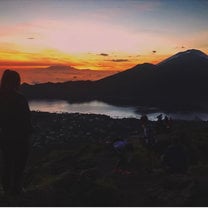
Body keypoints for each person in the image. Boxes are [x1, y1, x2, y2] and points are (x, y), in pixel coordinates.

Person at [0, 70, 33, 197]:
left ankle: (7, 189)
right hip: (20, 138)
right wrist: (29, 134)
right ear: (15, 82)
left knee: (7, 163)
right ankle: (16, 190)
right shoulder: (20, 99)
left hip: (5, 137)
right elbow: (26, 120)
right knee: (19, 165)